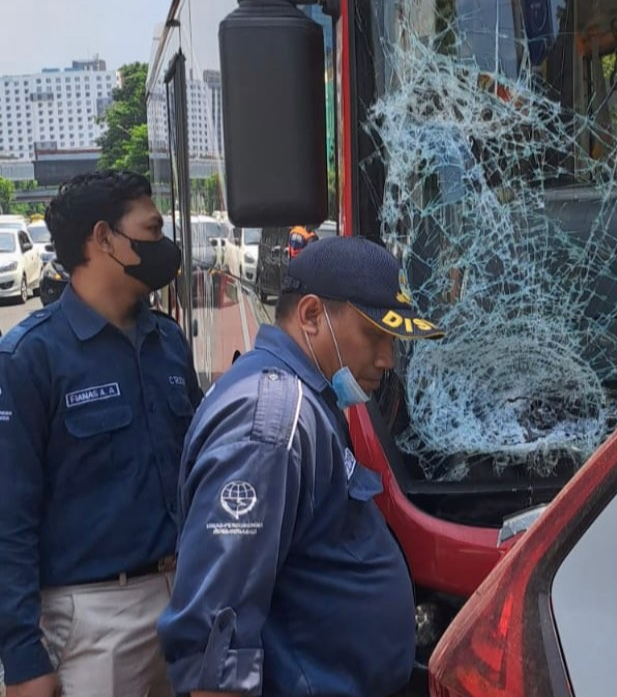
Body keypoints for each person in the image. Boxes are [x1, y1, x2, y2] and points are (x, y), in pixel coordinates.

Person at [158, 235, 443, 697]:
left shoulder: (308, 401)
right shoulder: (271, 421)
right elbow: (218, 632)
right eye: (375, 335)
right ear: (311, 316)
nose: (387, 359)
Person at [0, 171, 200, 697]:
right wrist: (21, 656)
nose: (165, 245)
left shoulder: (169, 342)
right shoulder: (30, 359)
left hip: (185, 599)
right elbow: (9, 517)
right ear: (105, 239)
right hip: (91, 622)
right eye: (152, 229)